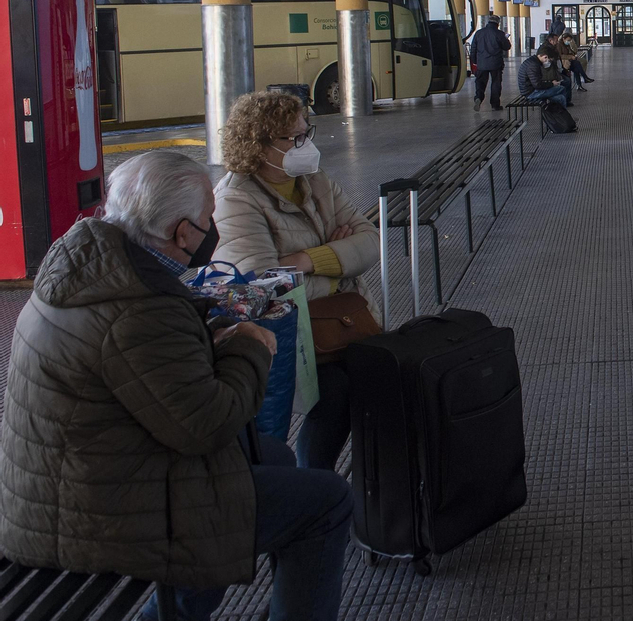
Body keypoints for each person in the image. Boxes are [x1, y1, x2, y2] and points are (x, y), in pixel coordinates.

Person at [0, 150, 352, 621]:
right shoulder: (138, 311)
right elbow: (209, 425)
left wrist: (201, 337)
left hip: (74, 477)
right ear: (182, 232)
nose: (215, 229)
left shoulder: (94, 263)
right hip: (98, 512)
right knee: (327, 502)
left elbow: (136, 367)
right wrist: (248, 346)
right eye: (209, 218)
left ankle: (187, 609)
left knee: (274, 457)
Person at [213, 90, 380, 472]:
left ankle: (361, 489)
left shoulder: (314, 180)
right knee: (336, 393)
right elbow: (261, 288)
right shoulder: (235, 202)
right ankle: (313, 482)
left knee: (379, 373)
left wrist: (307, 260)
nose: (304, 144)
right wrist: (339, 266)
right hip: (285, 335)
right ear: (260, 145)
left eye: (307, 133)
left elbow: (371, 241)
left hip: (339, 322)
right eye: (293, 138)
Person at [469, 14, 512, 111]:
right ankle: (495, 105)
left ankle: (478, 98)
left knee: (480, 82)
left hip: (481, 63)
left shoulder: (479, 33)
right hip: (495, 63)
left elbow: (473, 49)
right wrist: (505, 38)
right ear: (498, 23)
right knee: (495, 84)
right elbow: (507, 47)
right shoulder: (499, 33)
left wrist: (475, 62)